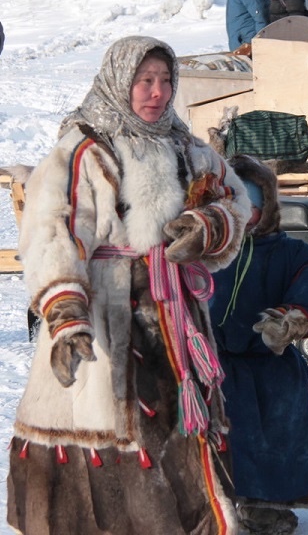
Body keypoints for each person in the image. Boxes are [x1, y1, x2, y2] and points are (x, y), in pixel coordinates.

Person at [6, 35, 252, 534]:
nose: (156, 92)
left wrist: (206, 226)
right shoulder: (84, 150)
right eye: (145, 80)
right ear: (121, 82)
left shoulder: (187, 147)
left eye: (164, 81)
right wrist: (64, 312)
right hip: (105, 313)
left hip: (174, 316)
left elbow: (235, 201)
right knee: (116, 436)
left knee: (182, 430)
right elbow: (51, 230)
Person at [208, 154, 308, 535]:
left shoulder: (291, 253)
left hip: (270, 366)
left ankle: (268, 507)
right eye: (231, 206)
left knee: (272, 438)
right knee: (222, 439)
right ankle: (217, 502)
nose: (241, 215)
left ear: (266, 210)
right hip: (216, 365)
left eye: (250, 207)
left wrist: (290, 321)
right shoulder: (205, 255)